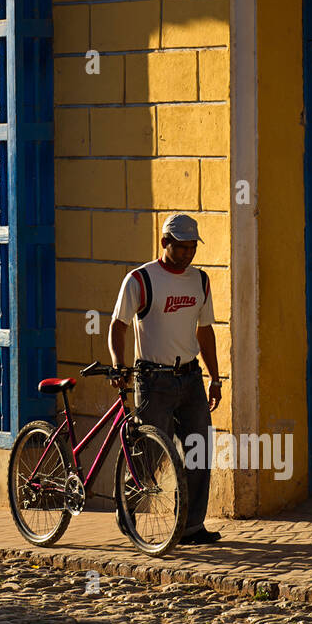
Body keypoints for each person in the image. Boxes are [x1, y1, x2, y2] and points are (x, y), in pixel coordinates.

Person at [108, 213, 221, 545]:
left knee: (199, 451)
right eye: (182, 247)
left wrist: (215, 377)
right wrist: (119, 364)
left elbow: (205, 330)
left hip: (191, 378)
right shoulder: (140, 279)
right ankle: (126, 513)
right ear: (165, 243)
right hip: (153, 380)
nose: (187, 254)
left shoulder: (199, 281)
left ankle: (190, 525)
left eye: (192, 248)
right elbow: (119, 325)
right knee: (148, 456)